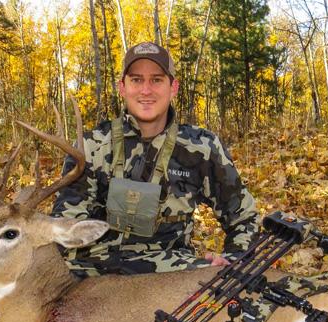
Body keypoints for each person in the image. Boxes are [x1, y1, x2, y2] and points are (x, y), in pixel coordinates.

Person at [52, 42, 259, 277]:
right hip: (94, 273)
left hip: (171, 273)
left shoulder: (202, 146)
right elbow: (65, 224)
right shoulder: (91, 146)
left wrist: (233, 260)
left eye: (157, 80)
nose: (146, 90)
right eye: (137, 80)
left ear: (174, 87)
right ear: (122, 87)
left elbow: (244, 216)